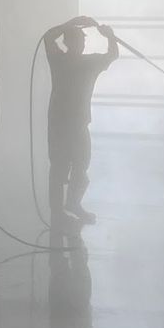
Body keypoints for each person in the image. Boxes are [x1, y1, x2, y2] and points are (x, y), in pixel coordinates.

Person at [43, 15, 119, 226]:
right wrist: (72, 23)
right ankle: (57, 213)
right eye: (78, 40)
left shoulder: (87, 62)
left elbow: (113, 54)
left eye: (83, 40)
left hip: (77, 123)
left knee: (81, 165)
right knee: (59, 167)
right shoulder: (59, 60)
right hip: (60, 124)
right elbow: (48, 38)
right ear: (68, 42)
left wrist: (108, 36)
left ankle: (73, 204)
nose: (82, 43)